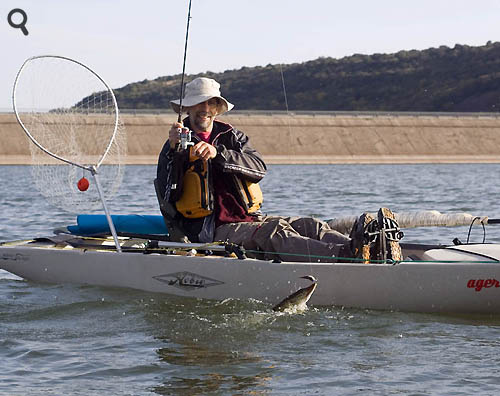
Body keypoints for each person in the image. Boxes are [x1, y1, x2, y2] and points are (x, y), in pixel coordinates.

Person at [155, 77, 402, 263]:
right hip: (212, 230)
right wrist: (174, 152)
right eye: (199, 103)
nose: (205, 108)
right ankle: (347, 255)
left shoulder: (232, 136)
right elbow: (169, 195)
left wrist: (219, 154)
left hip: (250, 219)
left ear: (217, 107)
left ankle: (366, 248)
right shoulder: (174, 144)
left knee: (310, 225)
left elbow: (259, 168)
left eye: (211, 103)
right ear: (187, 108)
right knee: (273, 231)